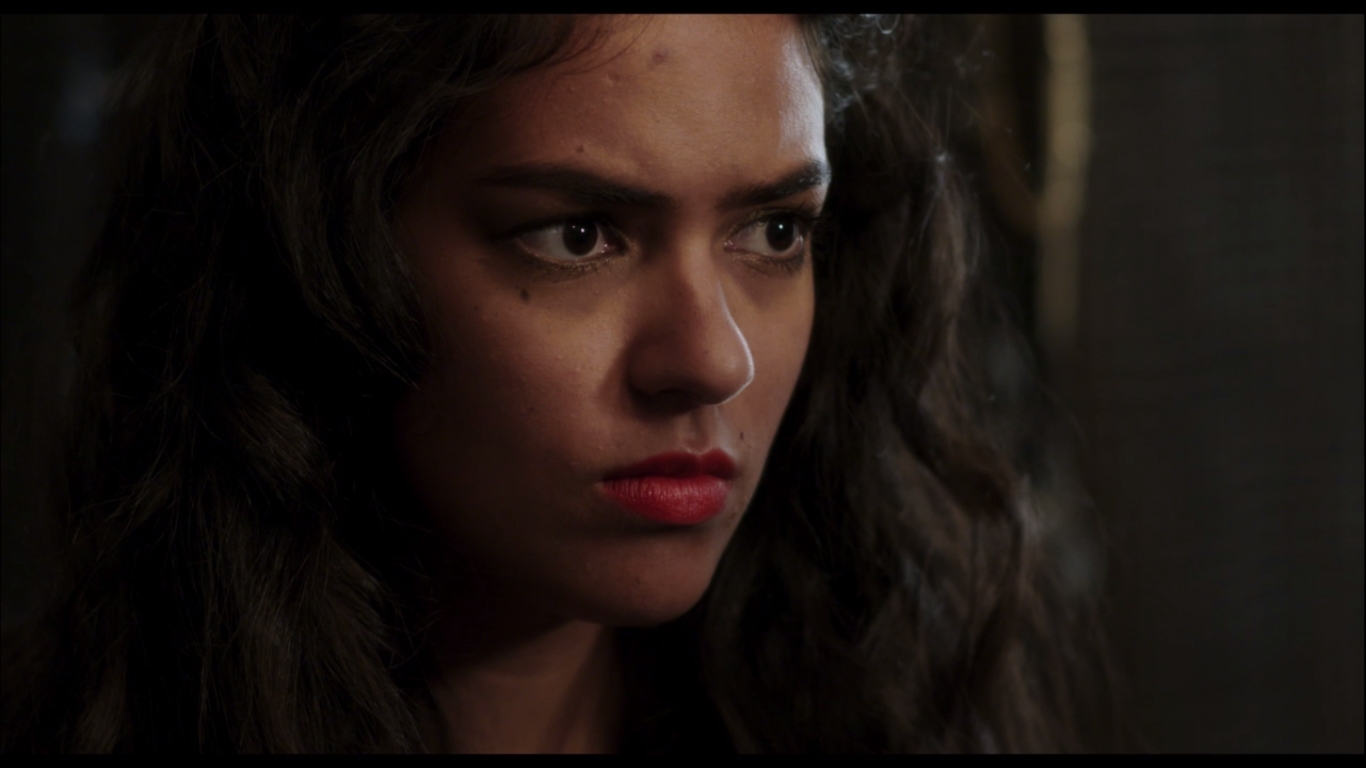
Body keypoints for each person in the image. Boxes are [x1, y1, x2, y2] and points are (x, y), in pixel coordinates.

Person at [0, 14, 1102, 753]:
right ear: (320, 262)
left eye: (773, 231)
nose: (712, 360)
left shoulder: (895, 709)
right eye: (579, 236)